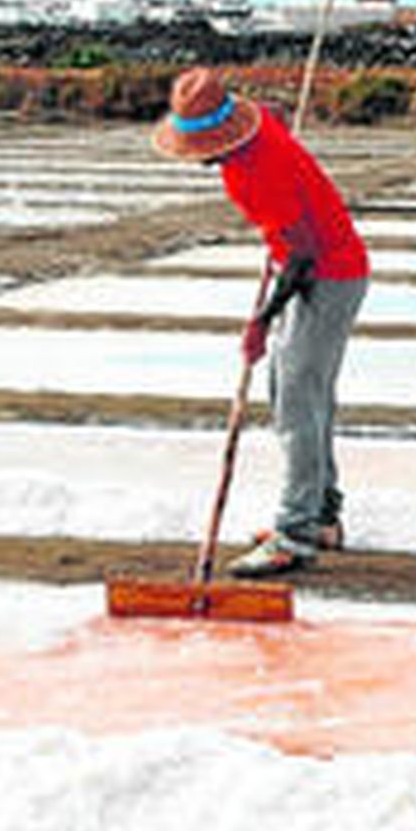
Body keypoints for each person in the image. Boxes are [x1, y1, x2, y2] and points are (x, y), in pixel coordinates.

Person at [153, 67, 370, 578]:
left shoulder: (251, 174)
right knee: (300, 393)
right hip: (328, 267)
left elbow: (304, 256)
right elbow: (293, 233)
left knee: (297, 405)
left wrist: (261, 321)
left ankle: (295, 535)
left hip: (329, 276)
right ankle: (322, 515)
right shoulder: (261, 128)